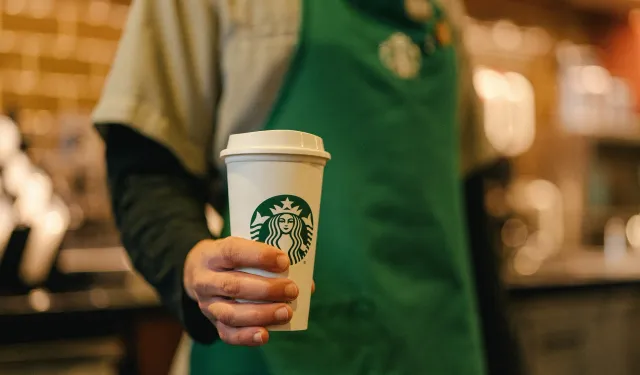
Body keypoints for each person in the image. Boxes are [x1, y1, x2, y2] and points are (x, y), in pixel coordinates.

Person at [94, 0, 523, 374]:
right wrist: (189, 263)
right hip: (279, 358)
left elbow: (467, 206)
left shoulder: (446, 9)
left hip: (437, 352)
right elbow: (145, 166)